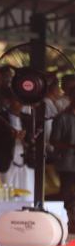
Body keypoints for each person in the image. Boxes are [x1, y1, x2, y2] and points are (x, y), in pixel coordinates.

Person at [50, 87, 75, 233]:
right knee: (65, 194)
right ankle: (65, 223)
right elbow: (54, 141)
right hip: (67, 163)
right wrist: (70, 145)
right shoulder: (62, 117)